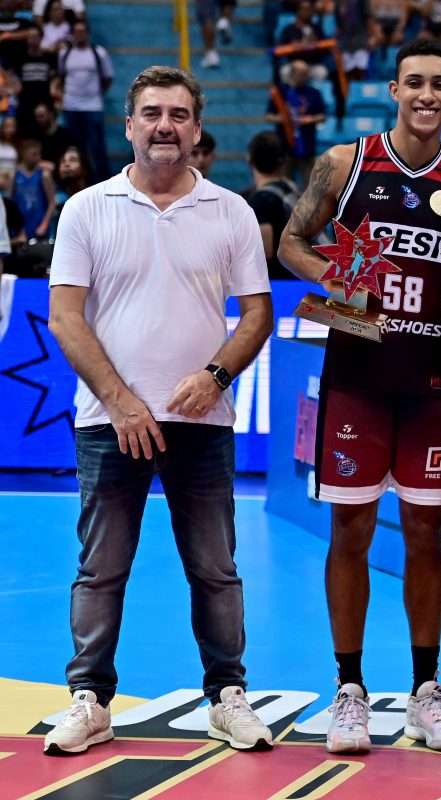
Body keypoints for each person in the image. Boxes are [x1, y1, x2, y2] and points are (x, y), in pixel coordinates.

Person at [44, 65, 275, 756]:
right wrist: (121, 402)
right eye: (152, 113)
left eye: (178, 114)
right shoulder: (87, 208)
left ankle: (227, 696)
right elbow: (65, 316)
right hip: (109, 423)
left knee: (216, 569)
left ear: (198, 130)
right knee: (101, 568)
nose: (164, 126)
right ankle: (90, 700)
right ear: (129, 126)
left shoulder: (230, 210)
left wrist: (215, 375)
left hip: (202, 424)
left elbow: (258, 313)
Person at [277, 36, 441, 755]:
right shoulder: (345, 162)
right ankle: (350, 690)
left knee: (428, 533)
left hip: (433, 380)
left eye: (440, 84)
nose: (427, 95)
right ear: (394, 90)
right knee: (352, 530)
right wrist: (341, 284)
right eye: (415, 82)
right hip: (358, 374)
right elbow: (290, 242)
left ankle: (427, 690)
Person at [58, 20, 112, 179]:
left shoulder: (98, 53)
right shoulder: (65, 54)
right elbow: (61, 76)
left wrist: (97, 93)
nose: (79, 34)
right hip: (71, 106)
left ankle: (103, 181)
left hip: (93, 106)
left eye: (82, 31)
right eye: (76, 31)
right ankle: (77, 181)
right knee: (75, 149)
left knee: (97, 148)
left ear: (87, 33)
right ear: (72, 34)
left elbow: (108, 77)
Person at [246, 130, 300, 279]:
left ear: (249, 159)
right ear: (281, 161)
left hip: (284, 281)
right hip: (306, 275)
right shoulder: (295, 189)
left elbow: (265, 252)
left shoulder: (262, 199)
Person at [266, 59, 327, 186]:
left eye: (306, 73)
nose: (305, 77)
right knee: (284, 183)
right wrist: (281, 119)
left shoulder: (313, 92)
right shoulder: (281, 92)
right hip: (285, 147)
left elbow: (322, 116)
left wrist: (308, 120)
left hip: (307, 146)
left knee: (310, 184)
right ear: (293, 73)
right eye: (302, 74)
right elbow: (268, 116)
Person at [12, 138, 55, 240]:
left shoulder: (44, 175)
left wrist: (44, 224)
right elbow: (11, 203)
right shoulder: (14, 175)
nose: (38, 157)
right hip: (21, 228)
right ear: (24, 154)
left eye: (39, 154)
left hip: (39, 226)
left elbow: (52, 202)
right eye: (34, 154)